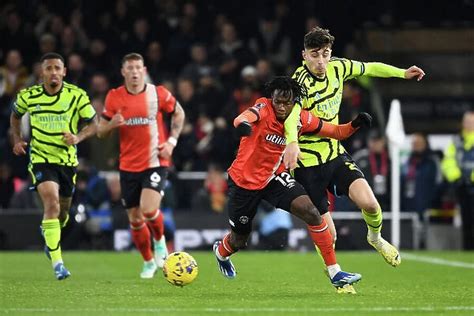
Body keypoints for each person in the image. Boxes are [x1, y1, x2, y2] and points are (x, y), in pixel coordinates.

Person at [282, 27, 425, 282]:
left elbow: (369, 68)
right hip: (307, 164)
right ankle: (334, 273)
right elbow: (292, 116)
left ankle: (375, 238)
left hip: (335, 154)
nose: (321, 61)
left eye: (325, 54)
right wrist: (292, 142)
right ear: (304, 55)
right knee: (330, 235)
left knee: (370, 203)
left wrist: (401, 73)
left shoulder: (339, 67)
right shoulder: (298, 83)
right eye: (315, 55)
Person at [213, 76, 371, 292]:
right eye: (277, 101)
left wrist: (355, 124)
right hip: (244, 182)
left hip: (274, 178)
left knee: (312, 212)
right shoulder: (263, 107)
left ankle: (335, 272)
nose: (281, 106)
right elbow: (242, 118)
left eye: (287, 102)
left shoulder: (301, 119)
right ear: (272, 99)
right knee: (239, 240)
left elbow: (335, 132)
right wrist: (243, 125)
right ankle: (221, 253)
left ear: (295, 101)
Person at [10, 52, 98, 280]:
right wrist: (17, 139)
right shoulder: (29, 96)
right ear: (42, 72)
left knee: (62, 214)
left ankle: (50, 234)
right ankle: (58, 263)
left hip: (67, 161)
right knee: (51, 202)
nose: (53, 72)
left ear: (64, 72)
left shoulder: (76, 95)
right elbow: (15, 116)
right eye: (48, 68)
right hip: (41, 158)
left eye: (57, 68)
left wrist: (77, 138)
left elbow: (93, 123)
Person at [97, 53, 185, 278]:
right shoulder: (114, 97)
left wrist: (171, 143)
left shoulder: (158, 93)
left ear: (144, 70)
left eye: (138, 67)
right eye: (130, 68)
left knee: (148, 209)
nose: (135, 72)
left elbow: (179, 113)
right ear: (123, 72)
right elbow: (100, 131)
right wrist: (111, 126)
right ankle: (147, 262)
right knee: (135, 219)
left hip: (155, 161)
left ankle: (159, 240)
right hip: (128, 166)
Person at [441, 111, 474, 250]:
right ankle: (467, 248)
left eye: (472, 122)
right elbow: (448, 160)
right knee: (466, 220)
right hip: (462, 186)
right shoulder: (456, 140)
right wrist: (456, 177)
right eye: (467, 121)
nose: (469, 124)